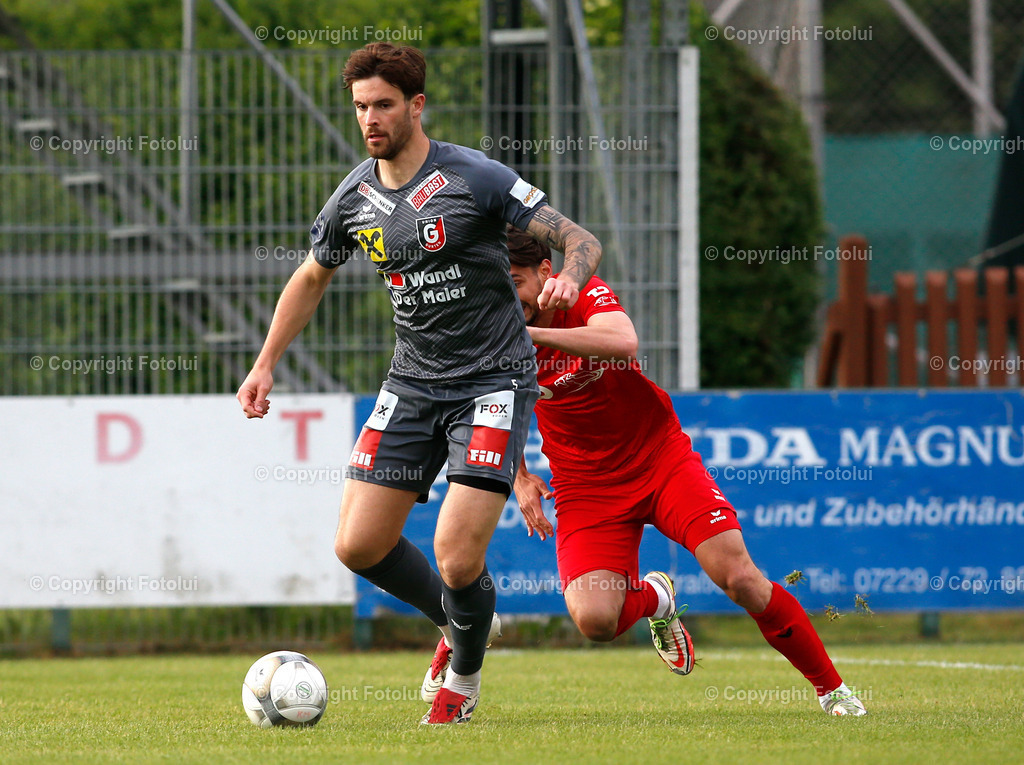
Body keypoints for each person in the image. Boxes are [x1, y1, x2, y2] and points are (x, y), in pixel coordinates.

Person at [236, 43, 602, 725]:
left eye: (382, 105)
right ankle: (461, 624)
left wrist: (570, 277)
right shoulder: (355, 197)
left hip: (493, 378)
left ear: (415, 106)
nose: (369, 119)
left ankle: (462, 678)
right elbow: (312, 276)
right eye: (360, 107)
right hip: (412, 382)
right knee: (358, 546)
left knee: (456, 555)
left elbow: (580, 237)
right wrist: (264, 363)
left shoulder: (476, 177)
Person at [494, 228, 865, 716]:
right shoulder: (495, 323)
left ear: (546, 272)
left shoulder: (579, 291)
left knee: (739, 579)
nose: (507, 298)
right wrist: (519, 477)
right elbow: (496, 403)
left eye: (515, 281)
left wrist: (532, 335)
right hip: (587, 486)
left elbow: (624, 342)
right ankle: (657, 599)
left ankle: (832, 690)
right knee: (595, 621)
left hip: (659, 459)